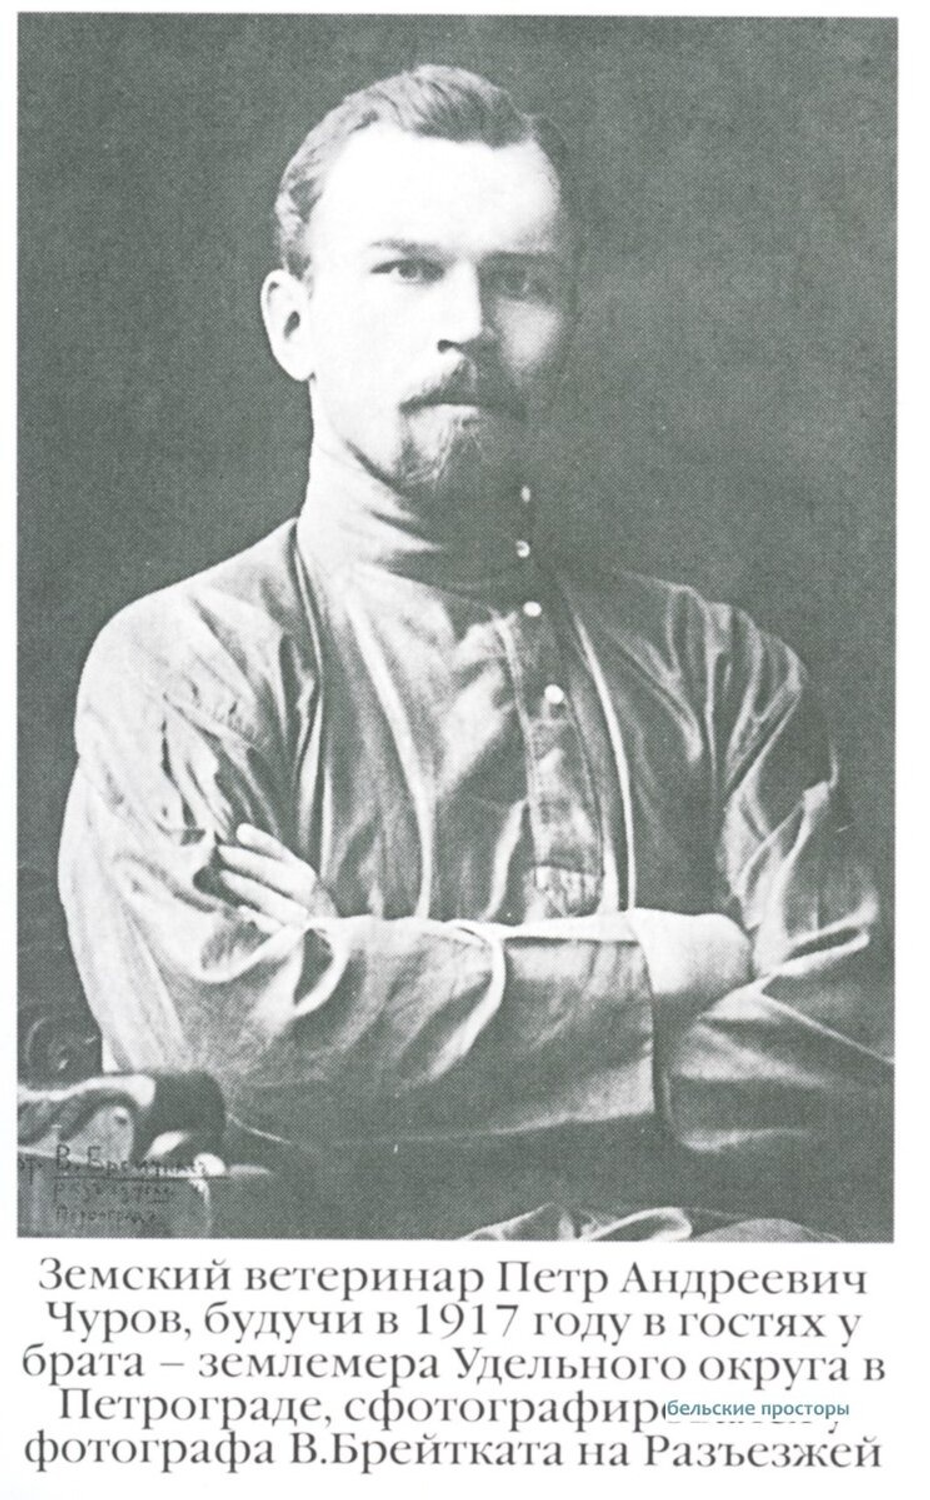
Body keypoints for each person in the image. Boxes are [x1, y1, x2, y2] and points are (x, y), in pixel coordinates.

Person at [58, 65, 891, 1240]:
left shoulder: (721, 672)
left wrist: (381, 976)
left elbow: (855, 1052)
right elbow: (238, 1052)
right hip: (334, 1335)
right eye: (406, 269)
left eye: (521, 281)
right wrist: (664, 962)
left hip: (722, 1306)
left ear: (569, 324)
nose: (469, 324)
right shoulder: (190, 668)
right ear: (293, 323)